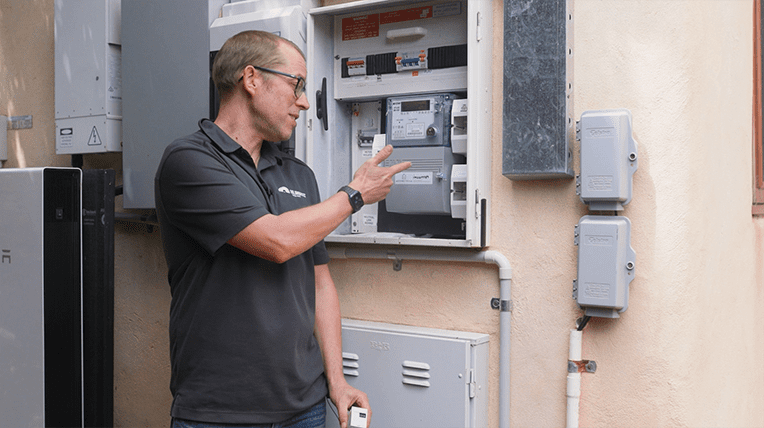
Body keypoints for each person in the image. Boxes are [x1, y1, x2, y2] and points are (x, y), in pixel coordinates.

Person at [154, 30, 410, 428]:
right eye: (297, 85)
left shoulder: (299, 174)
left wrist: (337, 382)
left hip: (303, 407)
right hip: (218, 411)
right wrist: (355, 195)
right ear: (252, 79)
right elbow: (276, 241)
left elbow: (320, 283)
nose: (305, 102)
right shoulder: (188, 161)